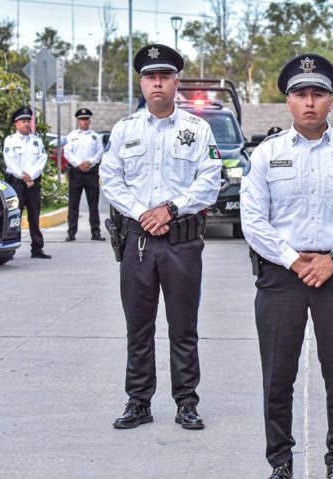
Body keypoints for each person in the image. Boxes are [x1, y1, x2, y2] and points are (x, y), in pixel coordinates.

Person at [240, 53, 333, 479]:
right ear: (288, 102)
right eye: (300, 94)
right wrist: (293, 260)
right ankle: (280, 462)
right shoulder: (267, 155)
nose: (309, 102)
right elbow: (253, 219)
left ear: (330, 101)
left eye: (317, 94)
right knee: (277, 376)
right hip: (281, 276)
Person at [100, 44, 222, 430]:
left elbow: (210, 181)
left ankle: (186, 402)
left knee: (183, 327)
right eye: (151, 77)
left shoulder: (197, 130)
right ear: (142, 83)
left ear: (176, 82)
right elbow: (110, 179)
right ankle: (139, 402)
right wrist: (142, 213)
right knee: (138, 326)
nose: (157, 83)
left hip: (181, 241)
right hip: (137, 240)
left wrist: (169, 209)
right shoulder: (125, 129)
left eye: (164, 76)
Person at [2, 106, 51, 259]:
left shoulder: (36, 141)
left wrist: (31, 176)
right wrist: (23, 176)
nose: (26, 124)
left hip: (33, 184)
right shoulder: (10, 140)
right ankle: (9, 249)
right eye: (23, 121)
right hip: (17, 183)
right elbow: (10, 161)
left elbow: (42, 159)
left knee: (34, 216)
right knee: (14, 217)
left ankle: (37, 248)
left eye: (28, 121)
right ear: (16, 124)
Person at [64, 108, 106, 242]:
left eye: (86, 119)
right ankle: (71, 233)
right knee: (73, 205)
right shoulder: (71, 136)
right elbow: (67, 152)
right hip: (76, 173)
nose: (84, 122)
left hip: (91, 173)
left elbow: (100, 151)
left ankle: (96, 232)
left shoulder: (95, 136)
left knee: (93, 205)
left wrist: (90, 162)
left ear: (90, 120)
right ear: (78, 121)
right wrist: (78, 164)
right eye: (82, 119)